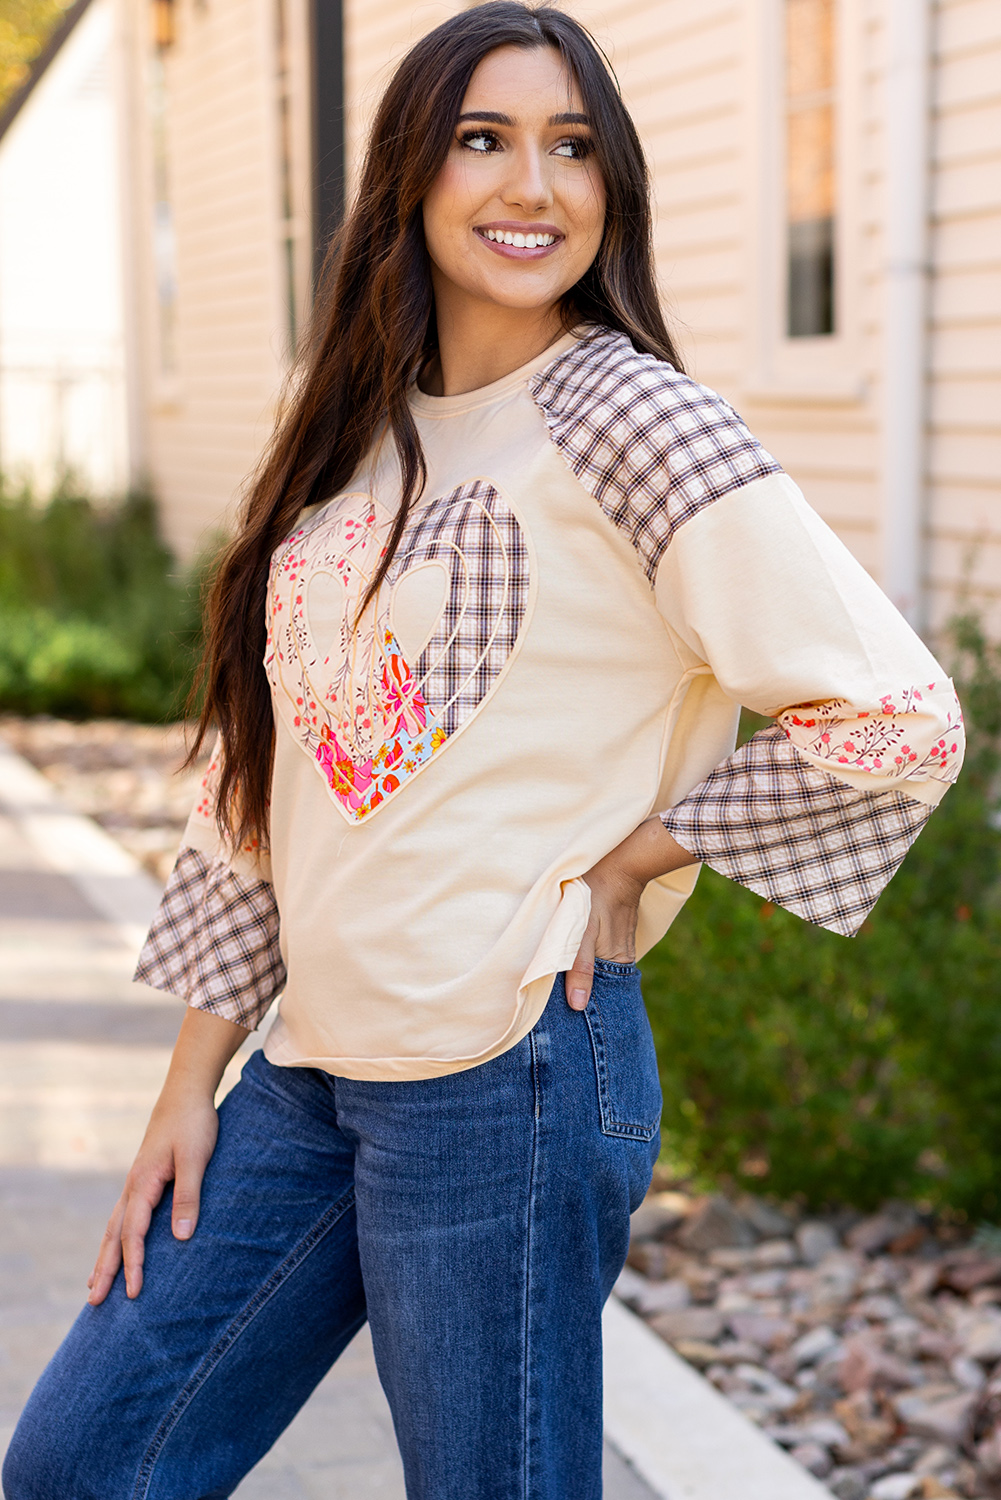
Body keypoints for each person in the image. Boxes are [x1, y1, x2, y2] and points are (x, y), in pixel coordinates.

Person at [3, 4, 964, 1497]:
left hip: (505, 1069)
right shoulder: (354, 435)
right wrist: (190, 1079)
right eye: (484, 139)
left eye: (572, 147)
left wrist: (640, 857)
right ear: (412, 172)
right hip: (307, 1076)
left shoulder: (634, 418)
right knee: (80, 1462)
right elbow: (263, 779)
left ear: (612, 183)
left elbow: (896, 711)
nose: (534, 186)